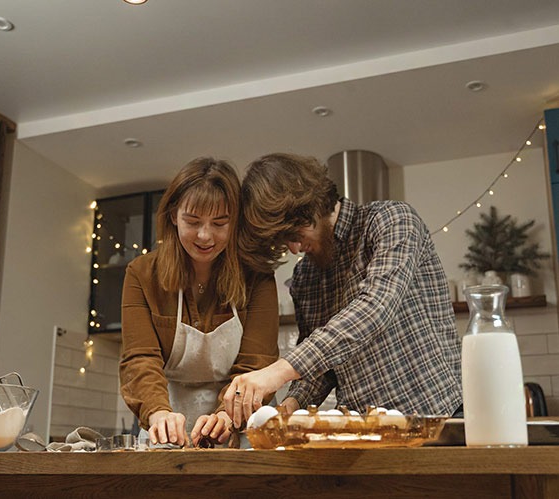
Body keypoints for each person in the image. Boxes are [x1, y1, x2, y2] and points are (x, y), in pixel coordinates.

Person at [224, 153, 462, 428]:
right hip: (362, 430)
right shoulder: (306, 276)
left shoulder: (392, 221)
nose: (294, 249)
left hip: (435, 418)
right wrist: (291, 404)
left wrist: (277, 371)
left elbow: (374, 310)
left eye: (295, 235)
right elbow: (321, 368)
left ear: (311, 206)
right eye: (284, 242)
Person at [119, 157, 279, 447]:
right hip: (165, 425)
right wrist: (158, 413)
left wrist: (226, 416)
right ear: (173, 216)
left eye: (220, 223)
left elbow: (256, 363)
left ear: (236, 222)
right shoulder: (141, 274)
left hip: (240, 424)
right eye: (193, 222)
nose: (205, 235)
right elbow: (140, 358)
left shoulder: (257, 276)